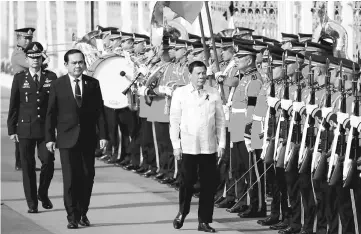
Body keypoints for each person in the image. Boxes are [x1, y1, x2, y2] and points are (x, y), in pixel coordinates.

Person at [45, 49, 108, 229]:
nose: (78, 66)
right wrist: (49, 138)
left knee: (88, 176)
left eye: (80, 62)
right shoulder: (58, 84)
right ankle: (72, 216)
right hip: (66, 139)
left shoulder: (93, 84)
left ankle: (82, 212)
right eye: (74, 63)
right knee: (71, 178)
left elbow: (100, 112)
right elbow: (51, 113)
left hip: (88, 138)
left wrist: (103, 134)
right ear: (66, 65)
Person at [170, 60, 226, 233]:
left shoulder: (213, 93)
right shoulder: (180, 93)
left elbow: (220, 121)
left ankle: (204, 220)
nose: (202, 77)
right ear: (190, 75)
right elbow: (174, 120)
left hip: (208, 146)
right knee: (187, 182)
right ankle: (183, 211)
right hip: (188, 146)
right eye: (198, 73)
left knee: (208, 185)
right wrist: (176, 145)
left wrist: (222, 143)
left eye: (204, 73)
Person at [7, 42, 57, 214]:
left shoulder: (51, 77)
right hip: (25, 129)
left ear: (42, 58)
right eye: (32, 57)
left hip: (45, 130)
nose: (35, 61)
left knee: (48, 162)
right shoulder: (20, 78)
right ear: (27, 58)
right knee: (28, 167)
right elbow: (14, 105)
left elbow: (56, 105)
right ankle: (32, 203)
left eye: (38, 57)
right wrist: (11, 129)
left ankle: (42, 192)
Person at [10, 27, 35, 171]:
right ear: (18, 39)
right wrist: (41, 56)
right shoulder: (19, 54)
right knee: (21, 128)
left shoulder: (27, 53)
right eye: (26, 38)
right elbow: (31, 64)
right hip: (21, 92)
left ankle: (25, 161)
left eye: (30, 38)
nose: (28, 40)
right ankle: (20, 162)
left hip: (29, 92)